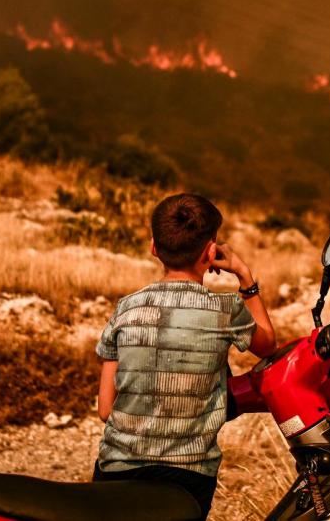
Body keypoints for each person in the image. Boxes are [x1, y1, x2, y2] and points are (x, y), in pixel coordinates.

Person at [93, 193, 277, 519]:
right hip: (188, 479)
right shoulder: (225, 310)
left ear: (153, 247)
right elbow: (267, 345)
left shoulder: (126, 308)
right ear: (210, 252)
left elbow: (106, 409)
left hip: (115, 472)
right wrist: (245, 278)